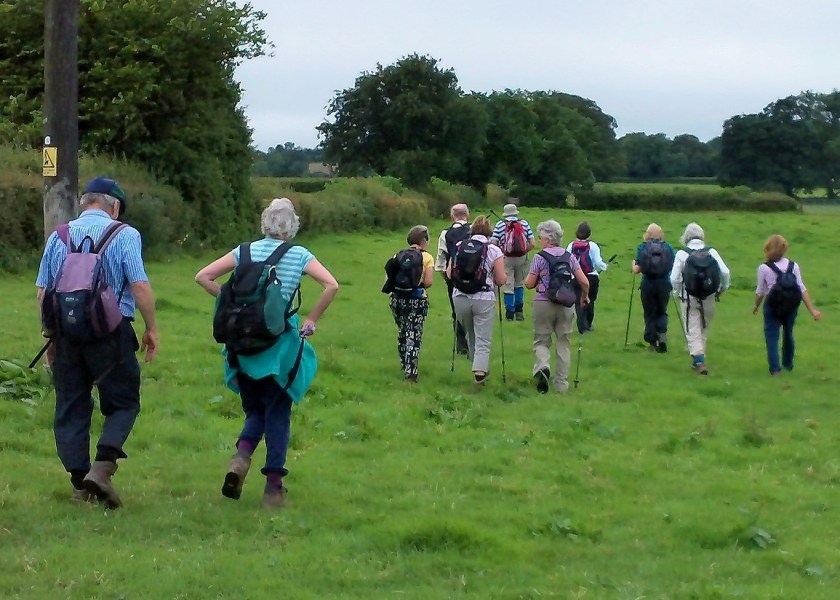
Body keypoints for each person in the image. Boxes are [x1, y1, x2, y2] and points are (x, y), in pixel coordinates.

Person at [195, 198, 339, 508]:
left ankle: (241, 457)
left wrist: (232, 303)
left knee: (255, 411)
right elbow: (331, 285)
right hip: (279, 346)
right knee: (277, 413)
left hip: (243, 347)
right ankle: (273, 488)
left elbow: (203, 276)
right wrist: (311, 320)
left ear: (265, 222)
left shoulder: (244, 250)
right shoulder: (298, 254)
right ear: (293, 225)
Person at [35, 176, 159, 508]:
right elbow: (140, 286)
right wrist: (151, 328)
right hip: (111, 334)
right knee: (124, 402)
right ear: (114, 206)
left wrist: (51, 338)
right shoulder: (125, 234)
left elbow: (43, 292)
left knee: (70, 407)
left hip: (66, 334)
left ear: (85, 202)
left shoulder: (58, 236)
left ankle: (80, 484)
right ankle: (102, 468)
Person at [524, 220, 590, 393]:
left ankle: (543, 367)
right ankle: (561, 384)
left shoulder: (540, 257)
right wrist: (584, 296)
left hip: (543, 302)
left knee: (541, 340)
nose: (539, 240)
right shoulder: (570, 257)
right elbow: (584, 281)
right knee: (564, 342)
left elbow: (530, 284)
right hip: (566, 303)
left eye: (540, 237)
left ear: (547, 238)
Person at [447, 216, 506, 384]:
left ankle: (477, 364)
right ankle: (480, 372)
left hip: (460, 296)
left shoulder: (459, 246)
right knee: (483, 338)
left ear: (471, 230)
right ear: (489, 231)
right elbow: (501, 280)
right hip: (484, 297)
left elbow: (450, 273)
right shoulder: (494, 250)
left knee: (471, 334)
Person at [752, 234, 822, 375]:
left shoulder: (764, 268)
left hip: (772, 306)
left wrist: (756, 306)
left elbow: (760, 291)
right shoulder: (793, 266)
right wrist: (812, 310)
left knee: (772, 336)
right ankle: (788, 364)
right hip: (791, 306)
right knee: (788, 334)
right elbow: (802, 288)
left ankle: (775, 370)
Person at [670, 222, 730, 375]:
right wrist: (722, 289)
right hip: (709, 295)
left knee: (692, 328)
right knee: (704, 326)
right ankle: (699, 357)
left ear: (686, 237)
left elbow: (674, 278)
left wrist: (677, 293)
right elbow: (725, 272)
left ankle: (699, 361)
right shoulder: (712, 252)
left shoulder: (682, 254)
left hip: (689, 297)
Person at [387, 225, 434, 382]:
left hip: (397, 298)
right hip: (417, 299)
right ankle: (411, 372)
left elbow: (389, 277)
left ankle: (404, 363)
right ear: (423, 241)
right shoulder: (427, 258)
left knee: (402, 332)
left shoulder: (398, 255)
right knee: (413, 334)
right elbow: (428, 282)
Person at [632, 223, 675, 352]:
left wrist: (633, 264)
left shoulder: (642, 247)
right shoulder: (668, 247)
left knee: (649, 313)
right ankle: (662, 334)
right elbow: (672, 265)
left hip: (648, 284)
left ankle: (652, 342)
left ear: (647, 234)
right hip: (664, 283)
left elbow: (636, 269)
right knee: (662, 311)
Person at [435, 203, 471, 354]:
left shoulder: (445, 234)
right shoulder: (475, 231)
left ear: (452, 217)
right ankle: (476, 344)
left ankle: (461, 345)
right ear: (467, 215)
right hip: (477, 277)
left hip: (454, 278)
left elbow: (440, 262)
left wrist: (447, 278)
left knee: (456, 311)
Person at [491, 203, 535, 321]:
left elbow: (494, 244)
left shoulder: (500, 225)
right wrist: (524, 251)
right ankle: (519, 312)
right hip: (522, 258)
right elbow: (533, 243)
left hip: (506, 258)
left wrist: (500, 255)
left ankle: (510, 313)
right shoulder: (524, 224)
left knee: (508, 285)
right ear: (516, 213)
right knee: (519, 284)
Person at [566, 221, 608, 333]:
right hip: (591, 277)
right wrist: (605, 266)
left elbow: (567, 260)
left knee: (578, 302)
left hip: (576, 277)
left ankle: (582, 327)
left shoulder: (571, 245)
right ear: (589, 234)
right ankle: (588, 324)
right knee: (591, 300)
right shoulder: (593, 246)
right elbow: (598, 262)